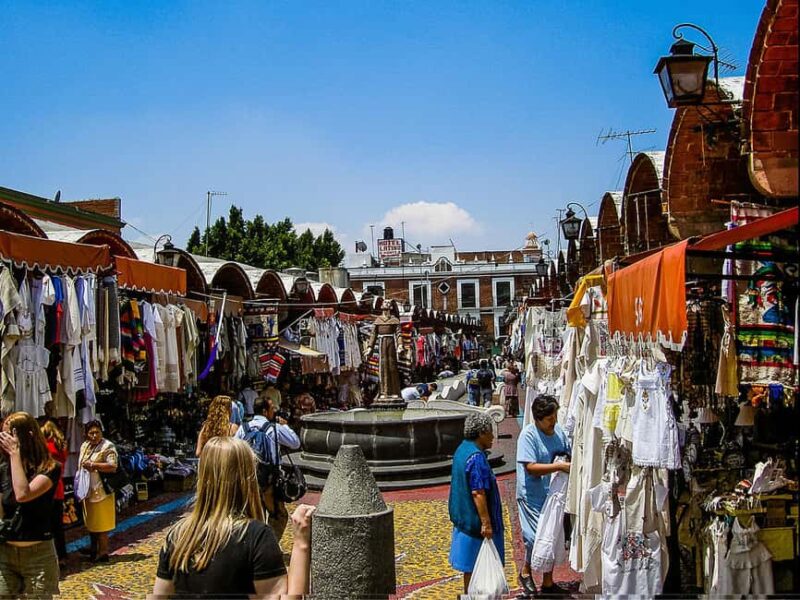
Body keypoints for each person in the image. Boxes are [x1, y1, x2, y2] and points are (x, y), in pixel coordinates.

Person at [152, 437, 315, 598]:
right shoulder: (255, 536)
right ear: (248, 480)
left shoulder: (177, 536)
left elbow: (159, 595)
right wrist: (301, 543)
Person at [0, 412, 61, 596]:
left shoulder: (50, 468)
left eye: (9, 435)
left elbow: (23, 494)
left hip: (38, 554)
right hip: (5, 553)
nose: (4, 440)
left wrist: (15, 455)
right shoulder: (3, 468)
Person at [516, 396, 571, 596]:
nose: (553, 422)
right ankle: (525, 571)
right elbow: (530, 467)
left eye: (555, 417)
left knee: (551, 536)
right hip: (531, 494)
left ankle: (548, 581)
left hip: (553, 494)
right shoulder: (528, 435)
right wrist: (559, 466)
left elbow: (567, 450)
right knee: (533, 537)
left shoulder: (558, 432)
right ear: (538, 419)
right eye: (549, 419)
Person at [448, 413, 504, 594]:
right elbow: (478, 493)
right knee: (480, 569)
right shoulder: (476, 458)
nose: (493, 437)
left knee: (470, 571)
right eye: (490, 432)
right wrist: (486, 523)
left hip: (463, 522)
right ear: (481, 433)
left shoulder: (462, 449)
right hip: (476, 526)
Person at [236, 397, 301, 540]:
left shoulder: (243, 428)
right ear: (265, 411)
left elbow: (235, 451)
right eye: (272, 409)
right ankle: (270, 545)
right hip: (270, 482)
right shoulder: (274, 428)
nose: (274, 411)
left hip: (249, 480)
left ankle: (252, 547)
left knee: (252, 517)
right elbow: (295, 443)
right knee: (278, 515)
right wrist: (284, 426)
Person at [77, 420, 119, 563]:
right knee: (91, 521)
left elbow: (113, 466)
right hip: (87, 490)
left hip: (101, 491)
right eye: (91, 433)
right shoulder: (85, 446)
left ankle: (103, 552)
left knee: (102, 524)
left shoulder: (107, 446)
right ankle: (93, 548)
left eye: (97, 432)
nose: (94, 435)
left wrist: (94, 465)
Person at [41, 420, 68, 566]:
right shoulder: (61, 446)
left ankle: (52, 556)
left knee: (48, 526)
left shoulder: (45, 447)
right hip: (59, 488)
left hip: (47, 490)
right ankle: (62, 556)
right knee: (58, 526)